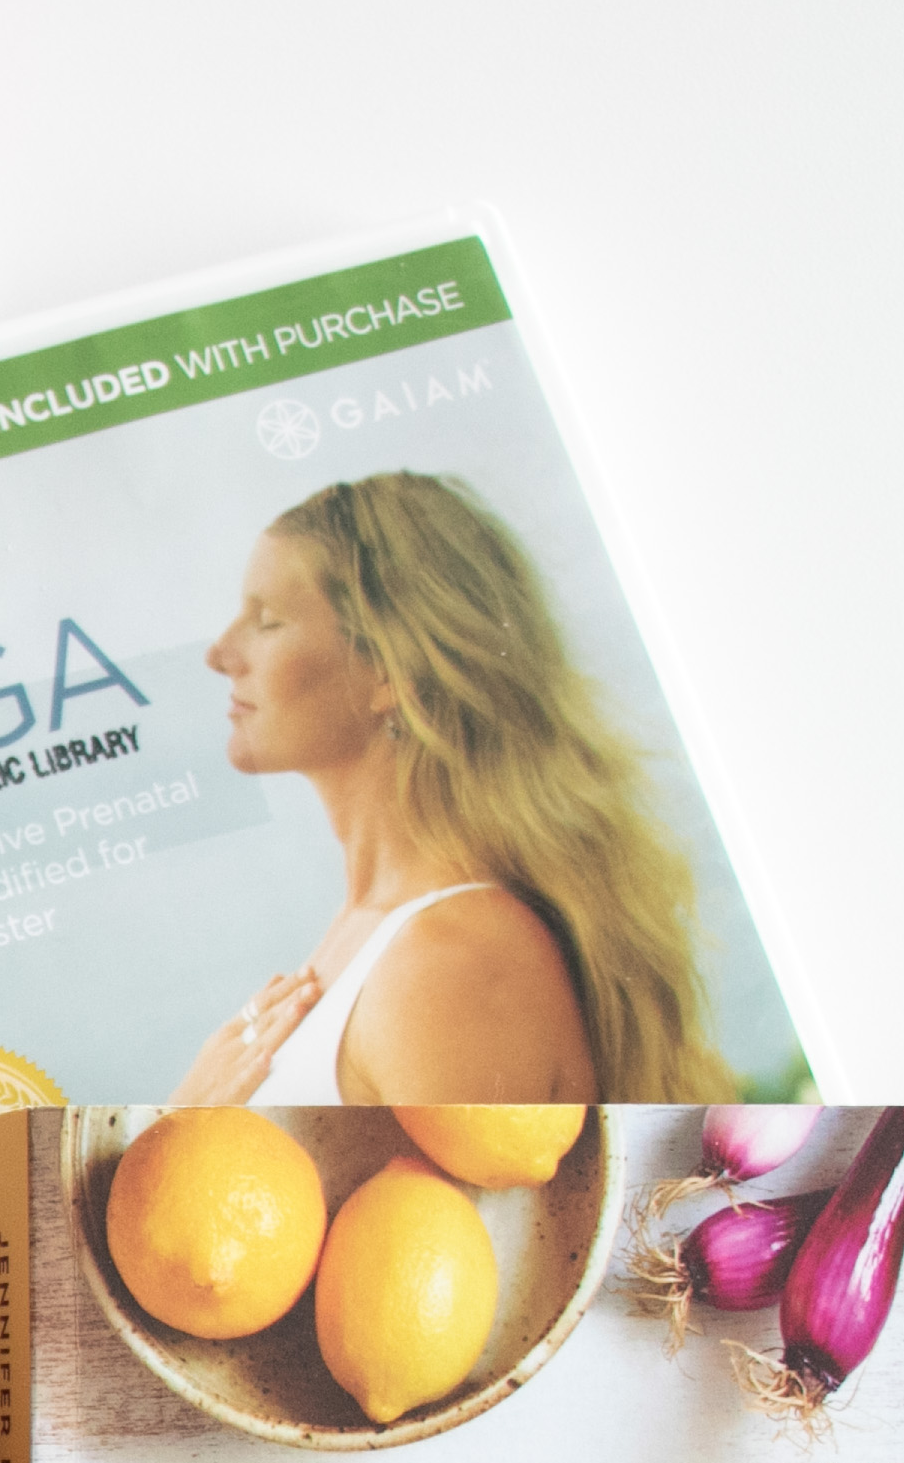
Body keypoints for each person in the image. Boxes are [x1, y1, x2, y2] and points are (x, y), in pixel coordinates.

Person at [172, 472, 726, 1108]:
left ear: (388, 671)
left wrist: (178, 1129)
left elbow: (463, 1213)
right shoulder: (377, 929)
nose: (219, 653)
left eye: (266, 621)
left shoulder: (453, 961)